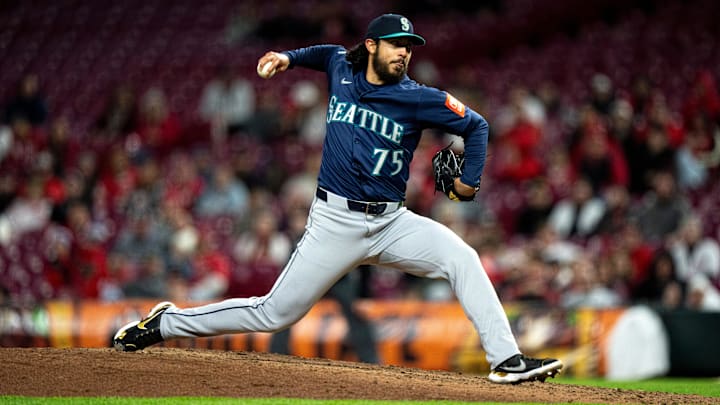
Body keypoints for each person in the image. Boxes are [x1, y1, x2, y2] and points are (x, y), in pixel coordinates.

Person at [113, 13, 563, 384]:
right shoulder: (340, 66)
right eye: (395, 43)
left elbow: (477, 125)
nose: (405, 51)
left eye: (409, 45)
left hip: (391, 223)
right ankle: (166, 323)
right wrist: (285, 58)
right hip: (334, 222)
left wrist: (468, 183)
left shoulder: (419, 98)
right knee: (274, 313)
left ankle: (506, 360)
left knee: (462, 257)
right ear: (371, 46)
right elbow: (320, 53)